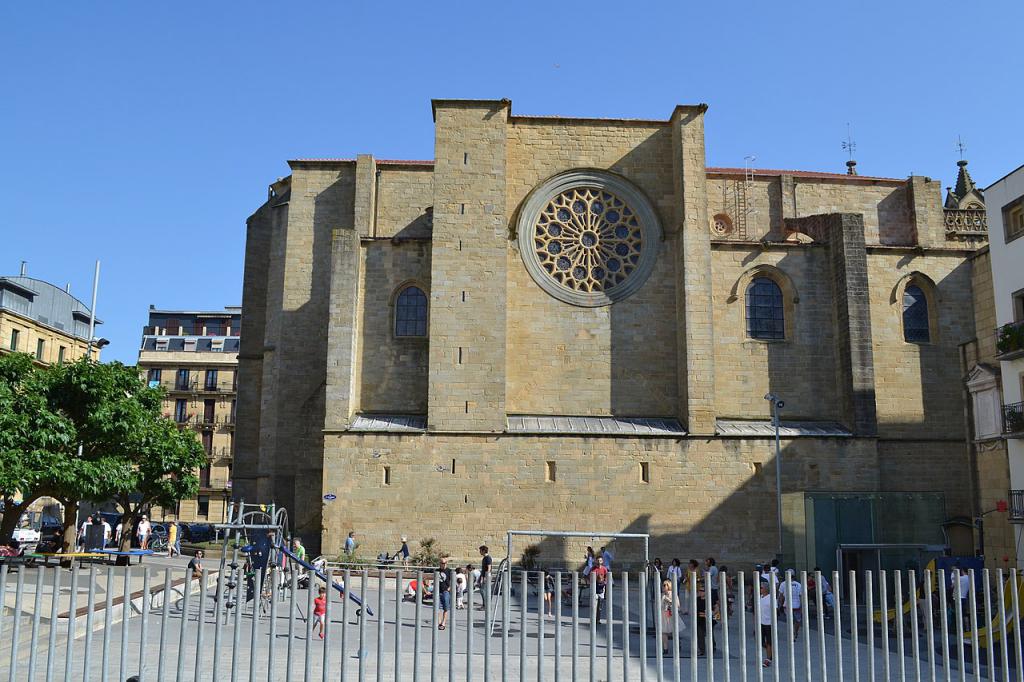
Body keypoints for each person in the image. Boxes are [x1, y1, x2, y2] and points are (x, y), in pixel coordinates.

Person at [695, 580, 719, 656]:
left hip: (708, 619)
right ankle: (701, 650)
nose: (700, 592)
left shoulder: (710, 599)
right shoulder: (697, 599)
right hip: (699, 619)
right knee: (700, 635)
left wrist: (711, 613)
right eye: (699, 590)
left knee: (710, 634)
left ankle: (712, 647)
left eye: (702, 591)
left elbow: (717, 607)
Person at [782, 572, 803, 641]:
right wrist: (802, 605)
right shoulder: (798, 584)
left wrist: (780, 604)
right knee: (797, 620)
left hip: (787, 605)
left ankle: (791, 634)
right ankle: (795, 632)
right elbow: (801, 596)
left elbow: (780, 596)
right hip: (797, 605)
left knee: (789, 620)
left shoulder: (783, 584)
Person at [660, 579, 679, 654]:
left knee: (673, 632)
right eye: (663, 585)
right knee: (663, 632)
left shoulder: (673, 594)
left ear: (669, 586)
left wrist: (668, 599)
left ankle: (677, 645)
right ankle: (665, 648)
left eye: (665, 585)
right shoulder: (662, 595)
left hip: (671, 614)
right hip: (664, 614)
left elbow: (677, 604)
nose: (663, 587)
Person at [759, 580, 774, 668]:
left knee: (769, 642)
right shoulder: (760, 597)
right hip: (761, 622)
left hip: (769, 623)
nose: (760, 589)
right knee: (762, 641)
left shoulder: (771, 598)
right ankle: (770, 652)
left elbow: (775, 610)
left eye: (761, 588)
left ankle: (768, 658)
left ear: (765, 589)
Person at [590, 555, 609, 623]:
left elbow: (607, 578)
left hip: (601, 590)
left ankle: (598, 619)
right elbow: (590, 578)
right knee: (594, 606)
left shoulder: (604, 569)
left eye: (600, 561)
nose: (599, 562)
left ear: (602, 561)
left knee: (599, 607)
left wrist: (604, 582)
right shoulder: (593, 569)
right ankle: (593, 619)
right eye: (598, 561)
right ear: (595, 561)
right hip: (594, 589)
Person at [436, 556, 452, 629]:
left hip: (446, 591)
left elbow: (453, 580)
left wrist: (450, 588)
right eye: (442, 563)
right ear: (440, 563)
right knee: (437, 607)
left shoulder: (449, 571)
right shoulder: (437, 571)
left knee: (445, 608)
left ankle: (443, 622)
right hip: (438, 591)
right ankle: (439, 622)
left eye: (445, 563)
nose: (444, 564)